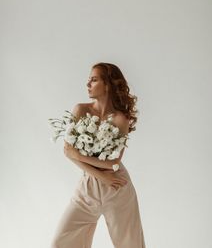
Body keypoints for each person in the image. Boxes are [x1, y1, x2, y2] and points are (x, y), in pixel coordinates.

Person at [50, 62, 146, 248]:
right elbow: (67, 152)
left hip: (117, 187)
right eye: (89, 80)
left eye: (94, 80)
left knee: (131, 244)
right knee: (60, 242)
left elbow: (114, 162)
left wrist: (77, 155)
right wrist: (101, 175)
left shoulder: (120, 119)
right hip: (88, 189)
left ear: (108, 84)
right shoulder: (80, 110)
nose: (88, 84)